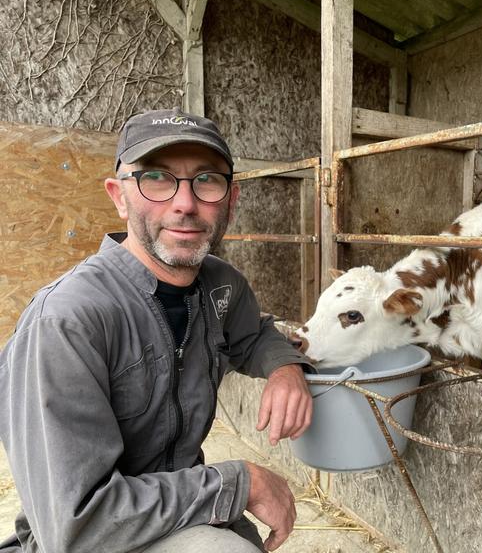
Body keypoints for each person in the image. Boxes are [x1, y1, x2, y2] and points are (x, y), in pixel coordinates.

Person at [0, 109, 315, 553]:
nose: (185, 204)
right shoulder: (67, 322)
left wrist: (286, 368)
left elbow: (254, 333)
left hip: (174, 511)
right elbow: (76, 528)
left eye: (206, 180)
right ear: (119, 196)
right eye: (157, 178)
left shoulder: (220, 286)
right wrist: (237, 484)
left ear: (231, 198)